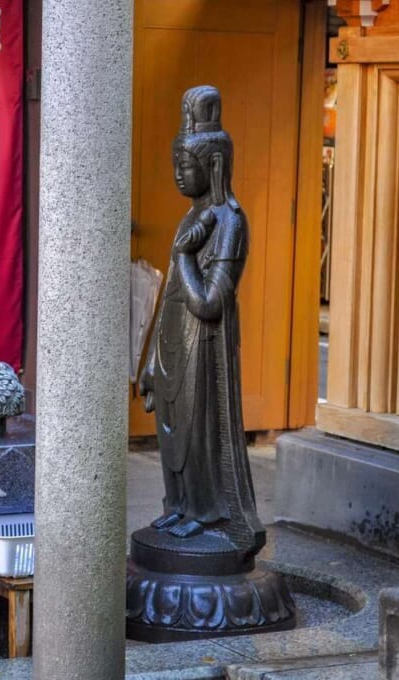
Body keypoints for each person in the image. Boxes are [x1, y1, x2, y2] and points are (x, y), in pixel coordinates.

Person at [139, 86, 264, 555]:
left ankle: (206, 511)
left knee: (197, 430)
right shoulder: (191, 216)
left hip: (203, 344)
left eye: (186, 166)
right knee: (170, 427)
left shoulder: (229, 222)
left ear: (212, 166)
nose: (177, 175)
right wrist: (151, 359)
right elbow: (171, 291)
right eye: (176, 164)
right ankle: (180, 504)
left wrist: (188, 255)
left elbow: (210, 302)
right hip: (174, 342)